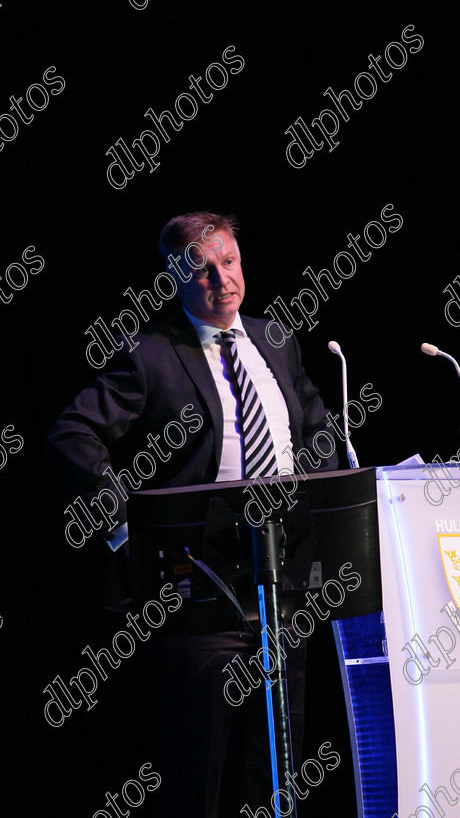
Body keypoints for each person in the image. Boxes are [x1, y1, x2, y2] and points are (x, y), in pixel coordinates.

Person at [44, 211, 339, 818]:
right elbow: (72, 434)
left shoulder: (277, 341)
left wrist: (325, 499)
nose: (221, 280)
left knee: (277, 771)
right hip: (198, 586)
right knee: (195, 777)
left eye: (229, 263)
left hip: (286, 583)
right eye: (202, 271)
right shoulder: (152, 354)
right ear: (176, 279)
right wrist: (129, 528)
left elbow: (318, 433)